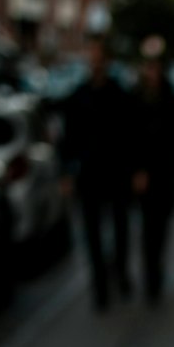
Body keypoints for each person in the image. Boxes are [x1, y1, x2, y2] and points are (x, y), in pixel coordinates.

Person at [61, 36, 137, 310]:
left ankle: (121, 273)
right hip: (89, 175)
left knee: (119, 229)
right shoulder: (78, 96)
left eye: (98, 58)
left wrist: (134, 170)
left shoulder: (119, 95)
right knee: (92, 233)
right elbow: (68, 139)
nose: (94, 64)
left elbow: (131, 135)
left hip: (116, 172)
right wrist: (67, 174)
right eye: (90, 58)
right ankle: (100, 287)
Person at [133, 35, 174, 304]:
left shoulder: (171, 100)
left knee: (159, 230)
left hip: (164, 178)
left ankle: (155, 276)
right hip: (145, 179)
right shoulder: (137, 100)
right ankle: (150, 279)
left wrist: (171, 170)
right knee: (147, 231)